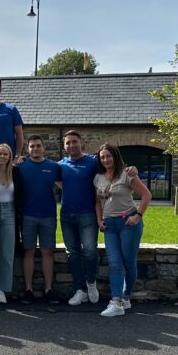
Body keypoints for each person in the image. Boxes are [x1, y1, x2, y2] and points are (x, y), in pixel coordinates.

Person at [58, 130, 137, 307]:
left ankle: (91, 283)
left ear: (81, 143)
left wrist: (132, 169)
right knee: (72, 254)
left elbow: (112, 166)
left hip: (87, 214)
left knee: (90, 251)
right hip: (67, 215)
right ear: (64, 146)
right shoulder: (61, 165)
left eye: (74, 142)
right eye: (68, 142)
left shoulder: (93, 162)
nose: (71, 145)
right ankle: (80, 290)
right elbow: (49, 175)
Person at [95, 143, 150, 317]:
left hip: (128, 223)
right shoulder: (98, 178)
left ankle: (126, 297)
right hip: (109, 226)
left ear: (115, 156)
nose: (106, 160)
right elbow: (97, 202)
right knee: (115, 263)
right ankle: (116, 301)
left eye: (109, 156)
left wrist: (138, 215)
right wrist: (99, 220)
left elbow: (146, 195)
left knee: (128, 261)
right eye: (102, 157)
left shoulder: (127, 174)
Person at [15, 135, 63, 308]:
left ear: (44, 148)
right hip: (27, 215)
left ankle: (48, 289)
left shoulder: (53, 167)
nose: (35, 148)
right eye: (32, 146)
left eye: (38, 146)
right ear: (27, 149)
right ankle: (28, 289)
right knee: (28, 252)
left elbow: (65, 184)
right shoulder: (21, 166)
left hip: (48, 215)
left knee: (47, 252)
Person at [0, 143, 20, 304]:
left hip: (9, 213)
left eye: (5, 154)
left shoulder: (15, 171)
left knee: (7, 253)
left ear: (10, 156)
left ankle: (2, 290)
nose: (2, 156)